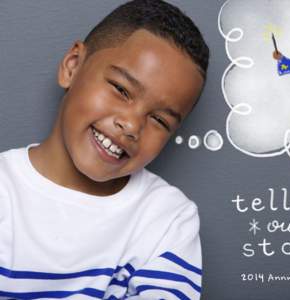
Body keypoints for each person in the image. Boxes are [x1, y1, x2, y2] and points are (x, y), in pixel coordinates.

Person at [0, 0, 209, 299]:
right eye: (121, 90)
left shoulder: (167, 219)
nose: (131, 125)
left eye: (159, 120)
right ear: (73, 66)